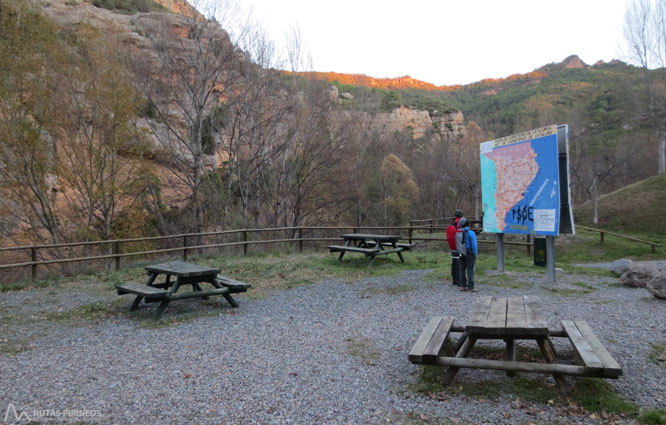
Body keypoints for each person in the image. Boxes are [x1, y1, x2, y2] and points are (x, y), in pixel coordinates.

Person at [455, 217, 478, 292]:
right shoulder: (470, 232)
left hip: (461, 252)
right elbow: (474, 244)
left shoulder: (458, 232)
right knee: (470, 269)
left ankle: (462, 285)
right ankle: (470, 286)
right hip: (469, 252)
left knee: (462, 269)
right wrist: (475, 253)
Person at [445, 210, 463, 286]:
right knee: (460, 263)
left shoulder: (453, 224)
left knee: (454, 262)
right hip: (459, 246)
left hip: (453, 246)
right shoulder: (461, 224)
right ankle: (459, 279)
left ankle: (454, 279)